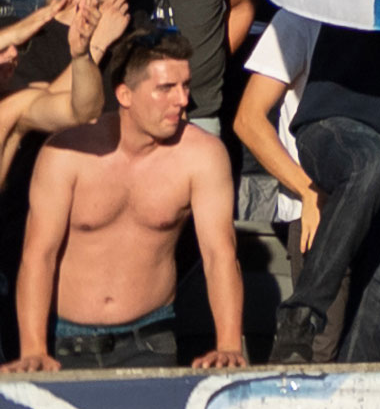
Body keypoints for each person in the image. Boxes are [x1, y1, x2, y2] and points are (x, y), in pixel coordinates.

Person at [14, 29, 239, 370]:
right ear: (125, 94)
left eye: (185, 86)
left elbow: (219, 254)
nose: (181, 100)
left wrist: (228, 344)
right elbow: (38, 254)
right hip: (66, 342)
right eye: (165, 88)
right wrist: (33, 349)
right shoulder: (69, 151)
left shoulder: (202, 155)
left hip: (151, 335)